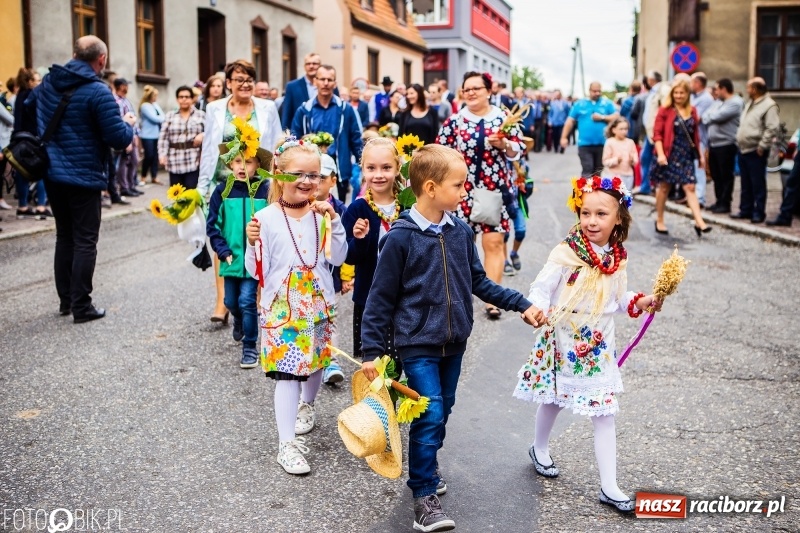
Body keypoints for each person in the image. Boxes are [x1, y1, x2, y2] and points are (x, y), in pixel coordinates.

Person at [360, 144, 543, 532]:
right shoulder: (400, 238)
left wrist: (521, 303)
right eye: (458, 185)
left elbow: (478, 281)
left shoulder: (460, 231)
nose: (465, 191)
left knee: (443, 411)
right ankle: (423, 495)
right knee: (430, 413)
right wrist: (372, 351)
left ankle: (427, 465)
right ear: (430, 187)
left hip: (454, 341)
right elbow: (380, 298)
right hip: (417, 344)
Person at [513, 177, 662, 514]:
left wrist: (641, 301)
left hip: (598, 342)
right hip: (564, 336)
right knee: (554, 399)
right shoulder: (566, 253)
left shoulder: (617, 257)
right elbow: (542, 288)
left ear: (618, 218)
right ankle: (539, 447)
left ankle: (609, 486)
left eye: (601, 214)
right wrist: (534, 308)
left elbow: (618, 298)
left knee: (604, 411)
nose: (592, 221)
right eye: (585, 213)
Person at [244, 134, 347, 475]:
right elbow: (254, 270)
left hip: (318, 299)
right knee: (288, 373)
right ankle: (286, 444)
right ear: (279, 174)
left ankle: (308, 404)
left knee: (316, 362)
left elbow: (339, 257)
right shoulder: (265, 218)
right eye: (298, 174)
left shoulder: (322, 215)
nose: (306, 181)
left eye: (313, 175)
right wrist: (252, 243)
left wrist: (336, 223)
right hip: (281, 304)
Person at [27, 35, 135, 321]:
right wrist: (128, 125)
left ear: (74, 55)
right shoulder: (99, 92)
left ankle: (66, 301)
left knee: (65, 236)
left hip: (51, 173)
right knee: (86, 240)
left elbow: (27, 111)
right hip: (84, 175)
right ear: (102, 60)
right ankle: (81, 306)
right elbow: (117, 138)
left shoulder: (47, 83)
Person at [198, 59, 282, 323]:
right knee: (224, 236)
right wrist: (201, 186)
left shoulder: (267, 107)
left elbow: (276, 144)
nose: (245, 84)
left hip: (257, 184)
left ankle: (255, 295)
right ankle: (222, 300)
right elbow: (209, 148)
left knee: (256, 235)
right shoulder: (215, 108)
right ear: (229, 83)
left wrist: (278, 182)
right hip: (223, 184)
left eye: (249, 79)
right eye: (239, 79)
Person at [437, 71, 523, 320]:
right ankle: (458, 296)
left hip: (494, 190)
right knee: (461, 245)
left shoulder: (503, 118)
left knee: (493, 243)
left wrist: (505, 145)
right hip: (460, 192)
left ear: (488, 91)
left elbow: (519, 148)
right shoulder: (455, 121)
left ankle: (492, 300)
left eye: (476, 88)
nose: (471, 93)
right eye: (467, 89)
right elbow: (439, 152)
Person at [207, 130, 270, 369]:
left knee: (247, 301)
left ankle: (250, 347)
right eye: (237, 161)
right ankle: (238, 321)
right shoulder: (222, 191)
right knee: (231, 301)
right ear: (230, 164)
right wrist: (222, 250)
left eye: (249, 161)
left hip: (254, 259)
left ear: (258, 165)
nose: (242, 166)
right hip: (230, 258)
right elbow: (213, 226)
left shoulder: (264, 190)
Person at [342, 137, 403, 366]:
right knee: (374, 364)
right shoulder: (357, 209)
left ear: (397, 168)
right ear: (363, 169)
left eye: (386, 167)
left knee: (401, 360)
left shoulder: (408, 205)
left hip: (404, 297)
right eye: (371, 168)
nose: (378, 175)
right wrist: (359, 239)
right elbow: (349, 256)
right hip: (369, 297)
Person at [290, 64, 362, 203]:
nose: (326, 83)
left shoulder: (345, 109)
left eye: (330, 80)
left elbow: (356, 140)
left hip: (339, 170)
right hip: (311, 169)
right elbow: (294, 139)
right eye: (322, 79)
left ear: (335, 83)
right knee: (309, 206)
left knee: (338, 208)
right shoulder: (304, 110)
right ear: (315, 81)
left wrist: (363, 166)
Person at [649, 78, 710, 236]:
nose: (678, 95)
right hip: (668, 153)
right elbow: (657, 134)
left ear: (687, 94)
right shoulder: (665, 110)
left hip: (685, 155)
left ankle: (700, 222)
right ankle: (660, 219)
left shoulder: (692, 110)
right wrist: (660, 154)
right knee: (664, 187)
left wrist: (700, 156)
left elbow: (695, 135)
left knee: (690, 187)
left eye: (681, 93)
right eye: (675, 92)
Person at [315, 153, 350, 385]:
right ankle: (315, 358)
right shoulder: (302, 207)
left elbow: (345, 244)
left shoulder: (340, 210)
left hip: (331, 276)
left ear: (333, 180)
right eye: (312, 176)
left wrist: (347, 276)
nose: (316, 182)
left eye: (322, 177)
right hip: (306, 277)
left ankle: (332, 361)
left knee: (329, 319)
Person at [733, 77, 780, 224]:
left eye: (748, 87)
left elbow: (772, 128)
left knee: (757, 184)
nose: (747, 90)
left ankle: (759, 213)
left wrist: (762, 146)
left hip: (756, 150)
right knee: (745, 182)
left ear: (755, 89)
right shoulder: (751, 103)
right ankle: (745, 210)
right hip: (743, 148)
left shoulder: (769, 105)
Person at [12, 67, 51, 219]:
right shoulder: (33, 95)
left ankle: (22, 206)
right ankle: (41, 206)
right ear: (29, 82)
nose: (40, 83)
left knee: (21, 172)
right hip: (33, 138)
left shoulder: (19, 95)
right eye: (37, 80)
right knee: (40, 169)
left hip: (19, 137)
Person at [702, 78, 743, 214]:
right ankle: (718, 201)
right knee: (716, 175)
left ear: (724, 89)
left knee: (725, 175)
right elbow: (705, 116)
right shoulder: (719, 102)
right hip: (714, 145)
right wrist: (710, 116)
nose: (715, 92)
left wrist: (710, 116)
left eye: (717, 89)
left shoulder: (735, 103)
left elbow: (716, 117)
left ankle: (725, 203)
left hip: (726, 144)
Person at [561, 82, 619, 177]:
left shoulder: (606, 103)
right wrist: (564, 137)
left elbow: (616, 117)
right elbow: (570, 121)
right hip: (584, 144)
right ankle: (585, 187)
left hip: (602, 143)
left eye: (599, 91)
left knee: (598, 171)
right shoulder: (579, 104)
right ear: (589, 91)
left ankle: (596, 186)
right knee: (587, 169)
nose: (597, 93)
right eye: (594, 91)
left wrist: (602, 117)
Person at [157, 85, 205, 189]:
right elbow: (163, 137)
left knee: (190, 192)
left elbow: (210, 133)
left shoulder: (200, 115)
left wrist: (202, 135)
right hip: (174, 160)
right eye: (181, 97)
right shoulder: (170, 116)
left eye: (187, 97)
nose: (184, 99)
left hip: (193, 159)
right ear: (177, 99)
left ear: (192, 99)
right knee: (176, 193)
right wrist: (162, 154)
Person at [281, 52, 339, 129]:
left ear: (320, 66)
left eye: (314, 64)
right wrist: (286, 133)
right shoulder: (292, 86)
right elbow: (287, 115)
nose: (311, 66)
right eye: (308, 64)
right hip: (301, 132)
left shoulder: (329, 85)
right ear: (304, 67)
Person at [111, 78, 141, 198]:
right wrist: (125, 140)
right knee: (124, 162)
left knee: (134, 161)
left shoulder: (126, 100)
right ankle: (124, 187)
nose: (127, 88)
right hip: (125, 136)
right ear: (121, 86)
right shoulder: (116, 101)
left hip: (132, 135)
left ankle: (131, 185)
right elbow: (120, 121)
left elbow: (133, 119)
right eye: (126, 85)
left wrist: (136, 135)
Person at [690, 73, 714, 208]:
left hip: (699, 139)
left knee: (699, 168)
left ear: (698, 83)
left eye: (692, 82)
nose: (690, 85)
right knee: (693, 169)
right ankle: (693, 196)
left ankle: (700, 199)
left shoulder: (706, 99)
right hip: (692, 139)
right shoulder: (694, 97)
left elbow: (695, 118)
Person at [602, 118, 638, 190]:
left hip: (628, 176)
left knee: (626, 195)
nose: (624, 131)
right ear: (614, 130)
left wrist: (632, 160)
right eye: (621, 129)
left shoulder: (630, 142)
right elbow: (605, 161)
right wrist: (616, 160)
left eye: (626, 129)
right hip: (612, 176)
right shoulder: (610, 142)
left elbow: (635, 159)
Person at [139, 85, 165, 184]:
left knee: (155, 157)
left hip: (156, 135)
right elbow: (155, 118)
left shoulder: (155, 105)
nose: (156, 97)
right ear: (150, 96)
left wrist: (161, 118)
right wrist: (161, 118)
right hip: (147, 135)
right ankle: (143, 176)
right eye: (155, 96)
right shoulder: (145, 106)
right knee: (148, 156)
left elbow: (163, 116)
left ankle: (154, 176)